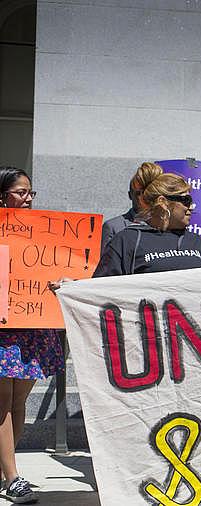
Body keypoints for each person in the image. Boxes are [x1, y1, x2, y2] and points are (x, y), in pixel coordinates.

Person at [0, 167, 64, 504]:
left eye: (30, 193)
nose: (27, 198)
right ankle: (12, 477)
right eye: (20, 192)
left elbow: (56, 263)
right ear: (2, 194)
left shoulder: (42, 227)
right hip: (3, 326)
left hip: (34, 324)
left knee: (18, 401)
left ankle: (5, 470)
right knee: (1, 401)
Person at [94, 172, 201, 276]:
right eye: (186, 201)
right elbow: (101, 291)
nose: (192, 207)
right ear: (163, 202)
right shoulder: (126, 241)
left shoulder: (196, 241)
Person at [100, 162, 163, 254]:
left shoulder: (167, 224)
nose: (142, 198)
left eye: (147, 193)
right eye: (138, 193)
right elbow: (106, 264)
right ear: (130, 195)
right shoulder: (114, 227)